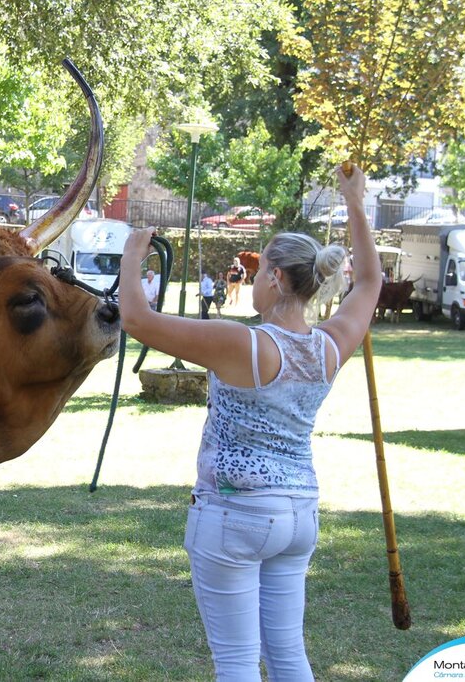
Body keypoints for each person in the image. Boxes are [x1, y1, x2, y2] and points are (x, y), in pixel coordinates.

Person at [119, 164, 380, 681]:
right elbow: (370, 281)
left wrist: (132, 257)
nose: (256, 281)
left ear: (277, 278)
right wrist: (355, 200)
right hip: (298, 514)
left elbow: (136, 320)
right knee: (287, 656)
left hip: (233, 513)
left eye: (260, 272)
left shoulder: (243, 342)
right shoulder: (328, 346)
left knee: (237, 663)